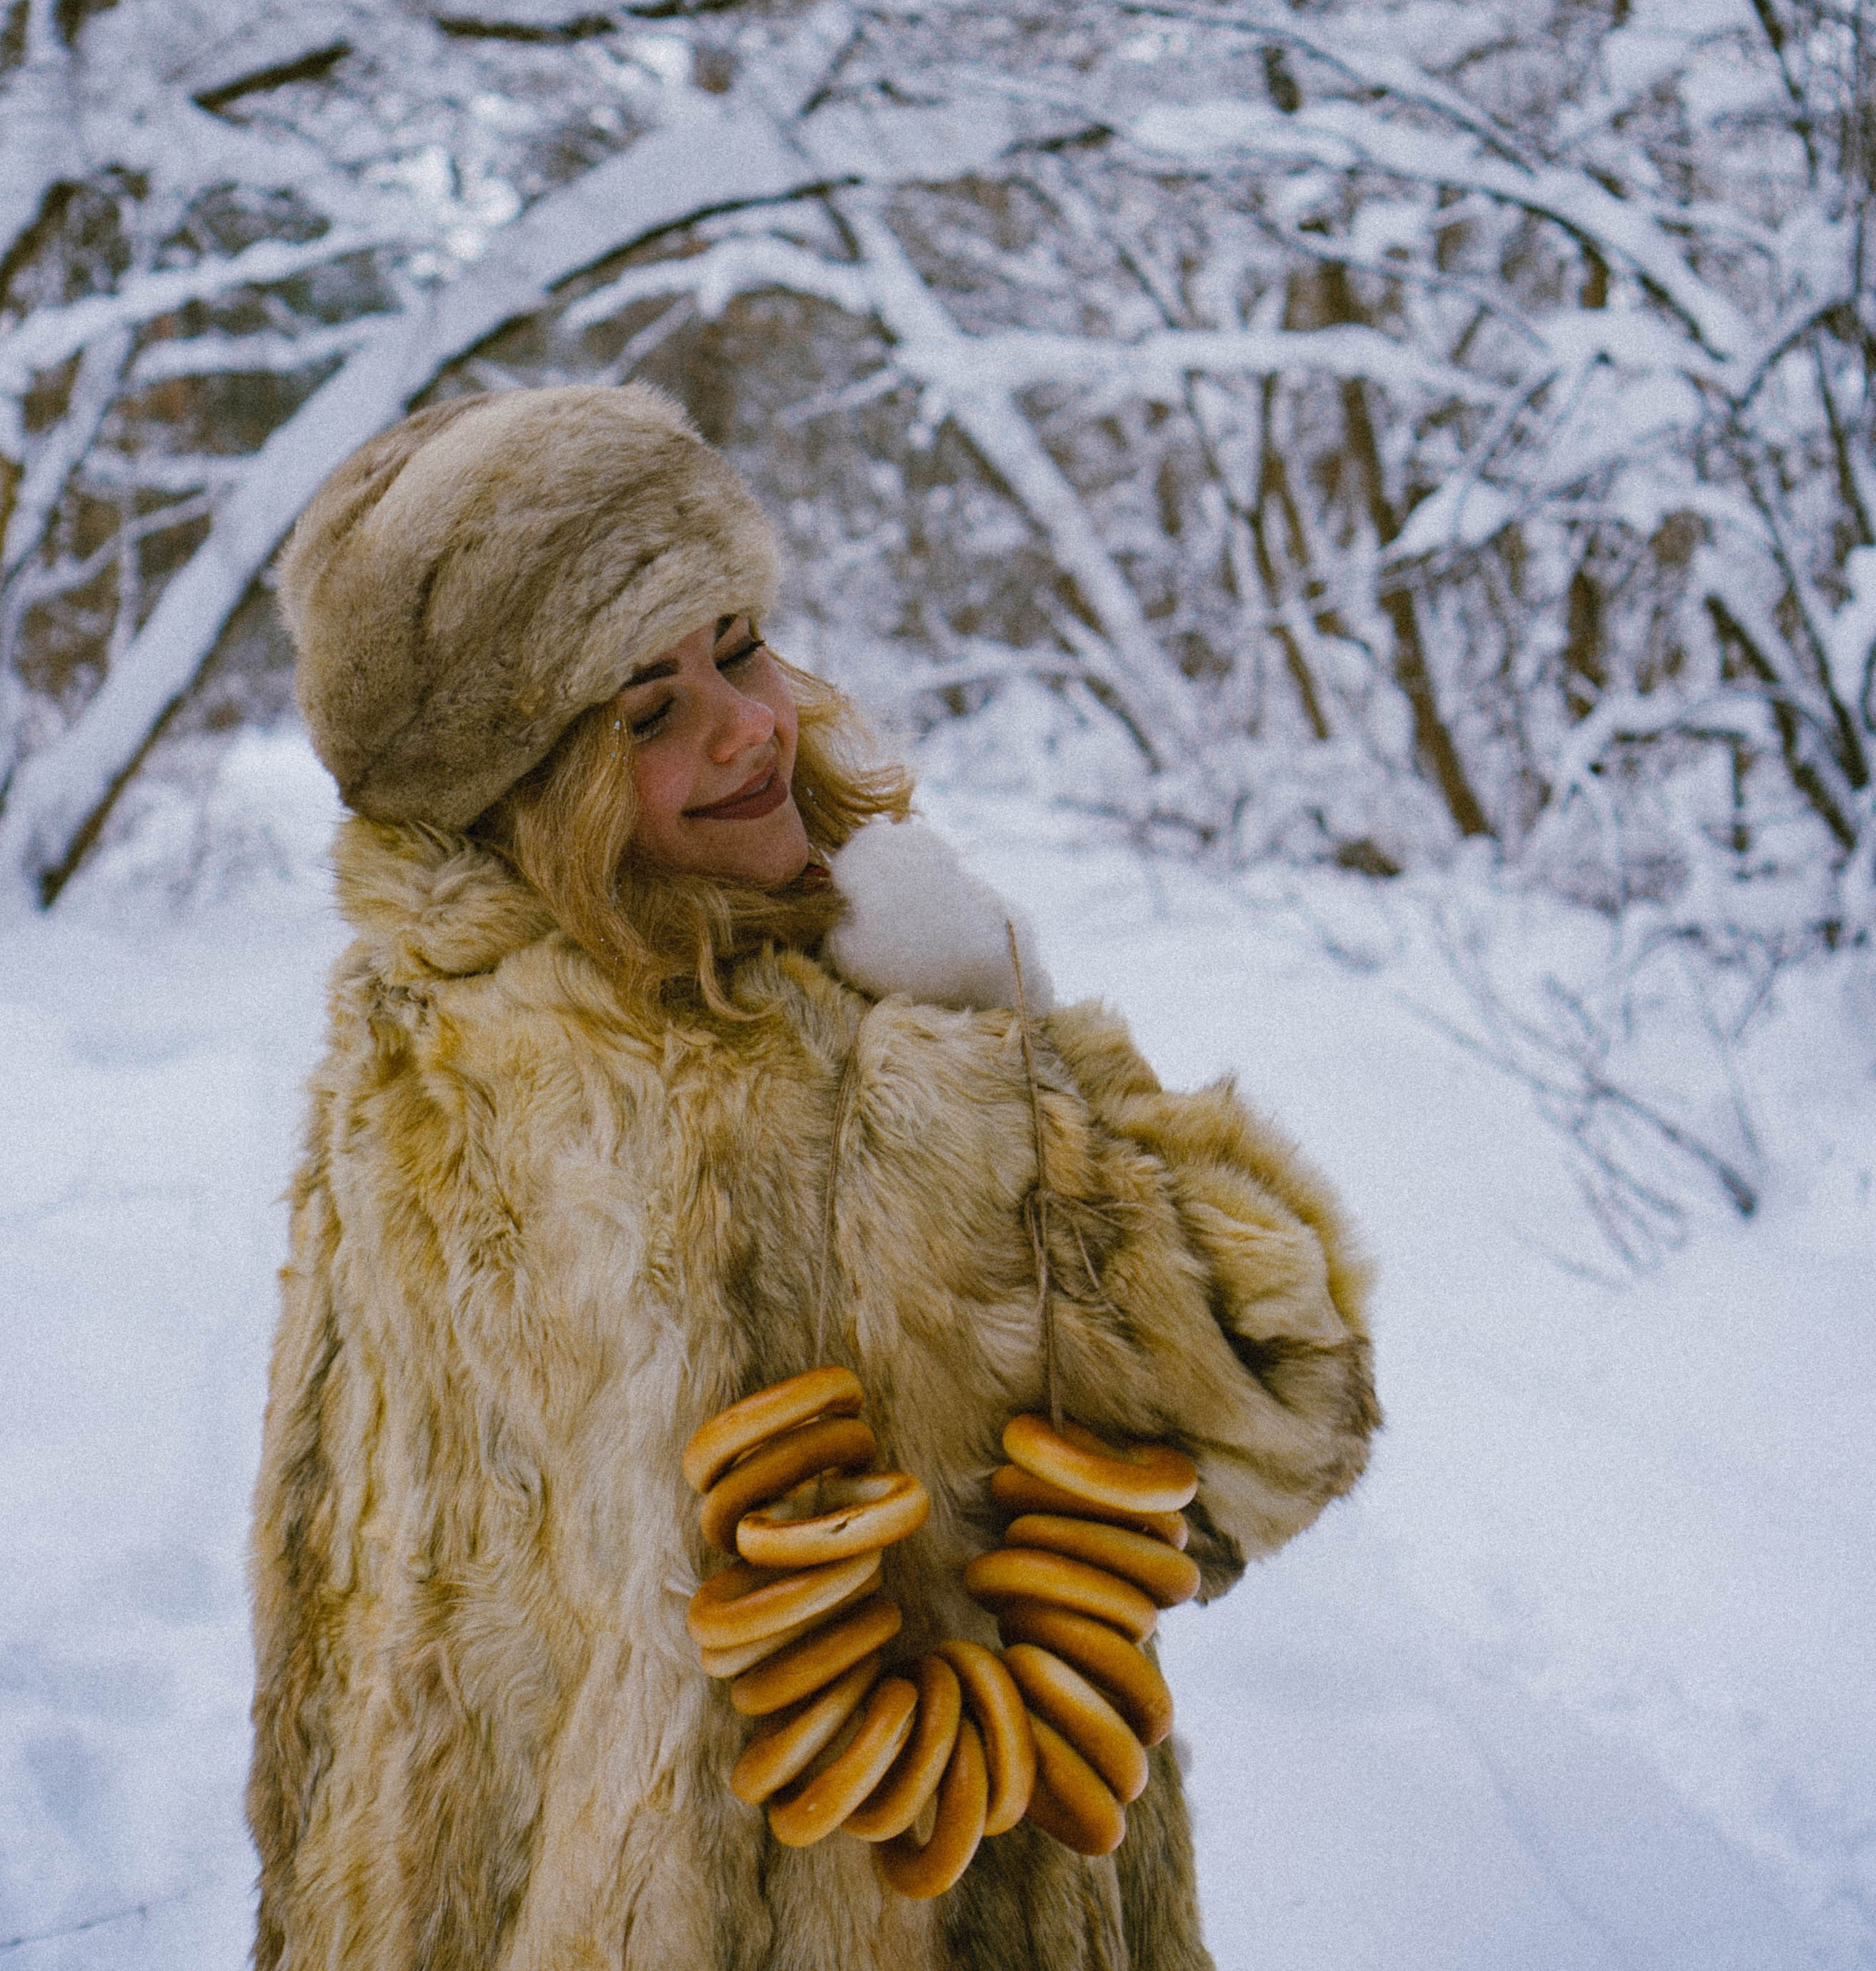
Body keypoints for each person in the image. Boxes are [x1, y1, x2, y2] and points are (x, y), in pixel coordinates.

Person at [248, 380, 1378, 1971]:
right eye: (645, 711)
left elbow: (332, 1615)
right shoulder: (870, 1089)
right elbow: (1291, 1396)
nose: (749, 724)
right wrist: (1004, 1044)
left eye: (738, 643)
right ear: (513, 793)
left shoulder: (407, 1043)